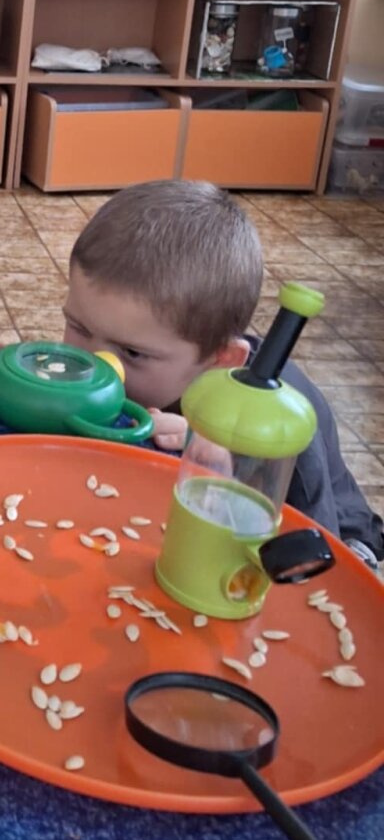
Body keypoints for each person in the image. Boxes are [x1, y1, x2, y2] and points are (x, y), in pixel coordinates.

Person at [61, 179, 382, 568]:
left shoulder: (279, 430)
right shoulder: (156, 355)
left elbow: (313, 560)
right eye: (78, 327)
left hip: (338, 543)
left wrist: (225, 472)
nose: (95, 364)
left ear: (220, 360)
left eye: (131, 353)